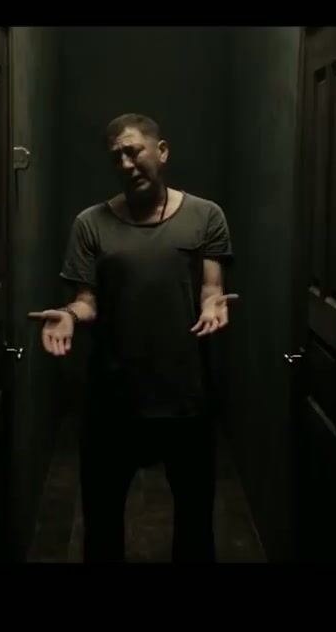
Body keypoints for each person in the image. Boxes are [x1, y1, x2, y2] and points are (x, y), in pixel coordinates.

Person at [28, 113, 237, 563]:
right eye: (116, 157)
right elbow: (87, 301)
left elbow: (212, 289)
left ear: (161, 152)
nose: (125, 163)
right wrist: (68, 315)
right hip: (112, 402)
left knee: (196, 528)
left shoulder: (206, 216)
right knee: (102, 529)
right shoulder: (90, 223)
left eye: (133, 151)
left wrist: (212, 306)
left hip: (186, 399)